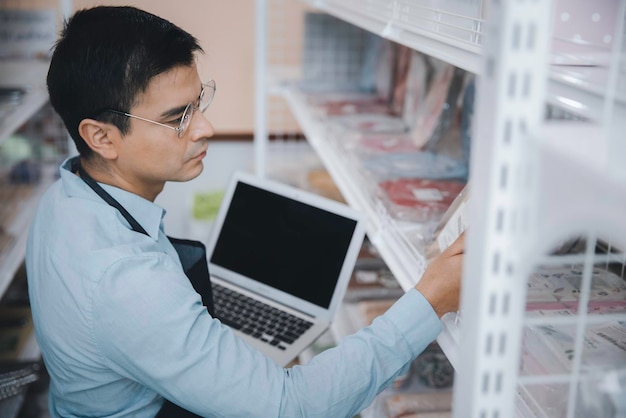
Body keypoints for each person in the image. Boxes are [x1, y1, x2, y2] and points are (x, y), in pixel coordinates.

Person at [26, 6, 464, 418]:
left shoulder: (64, 197)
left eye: (199, 102)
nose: (204, 127)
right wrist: (431, 300)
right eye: (178, 117)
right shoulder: (127, 281)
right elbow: (290, 407)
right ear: (101, 137)